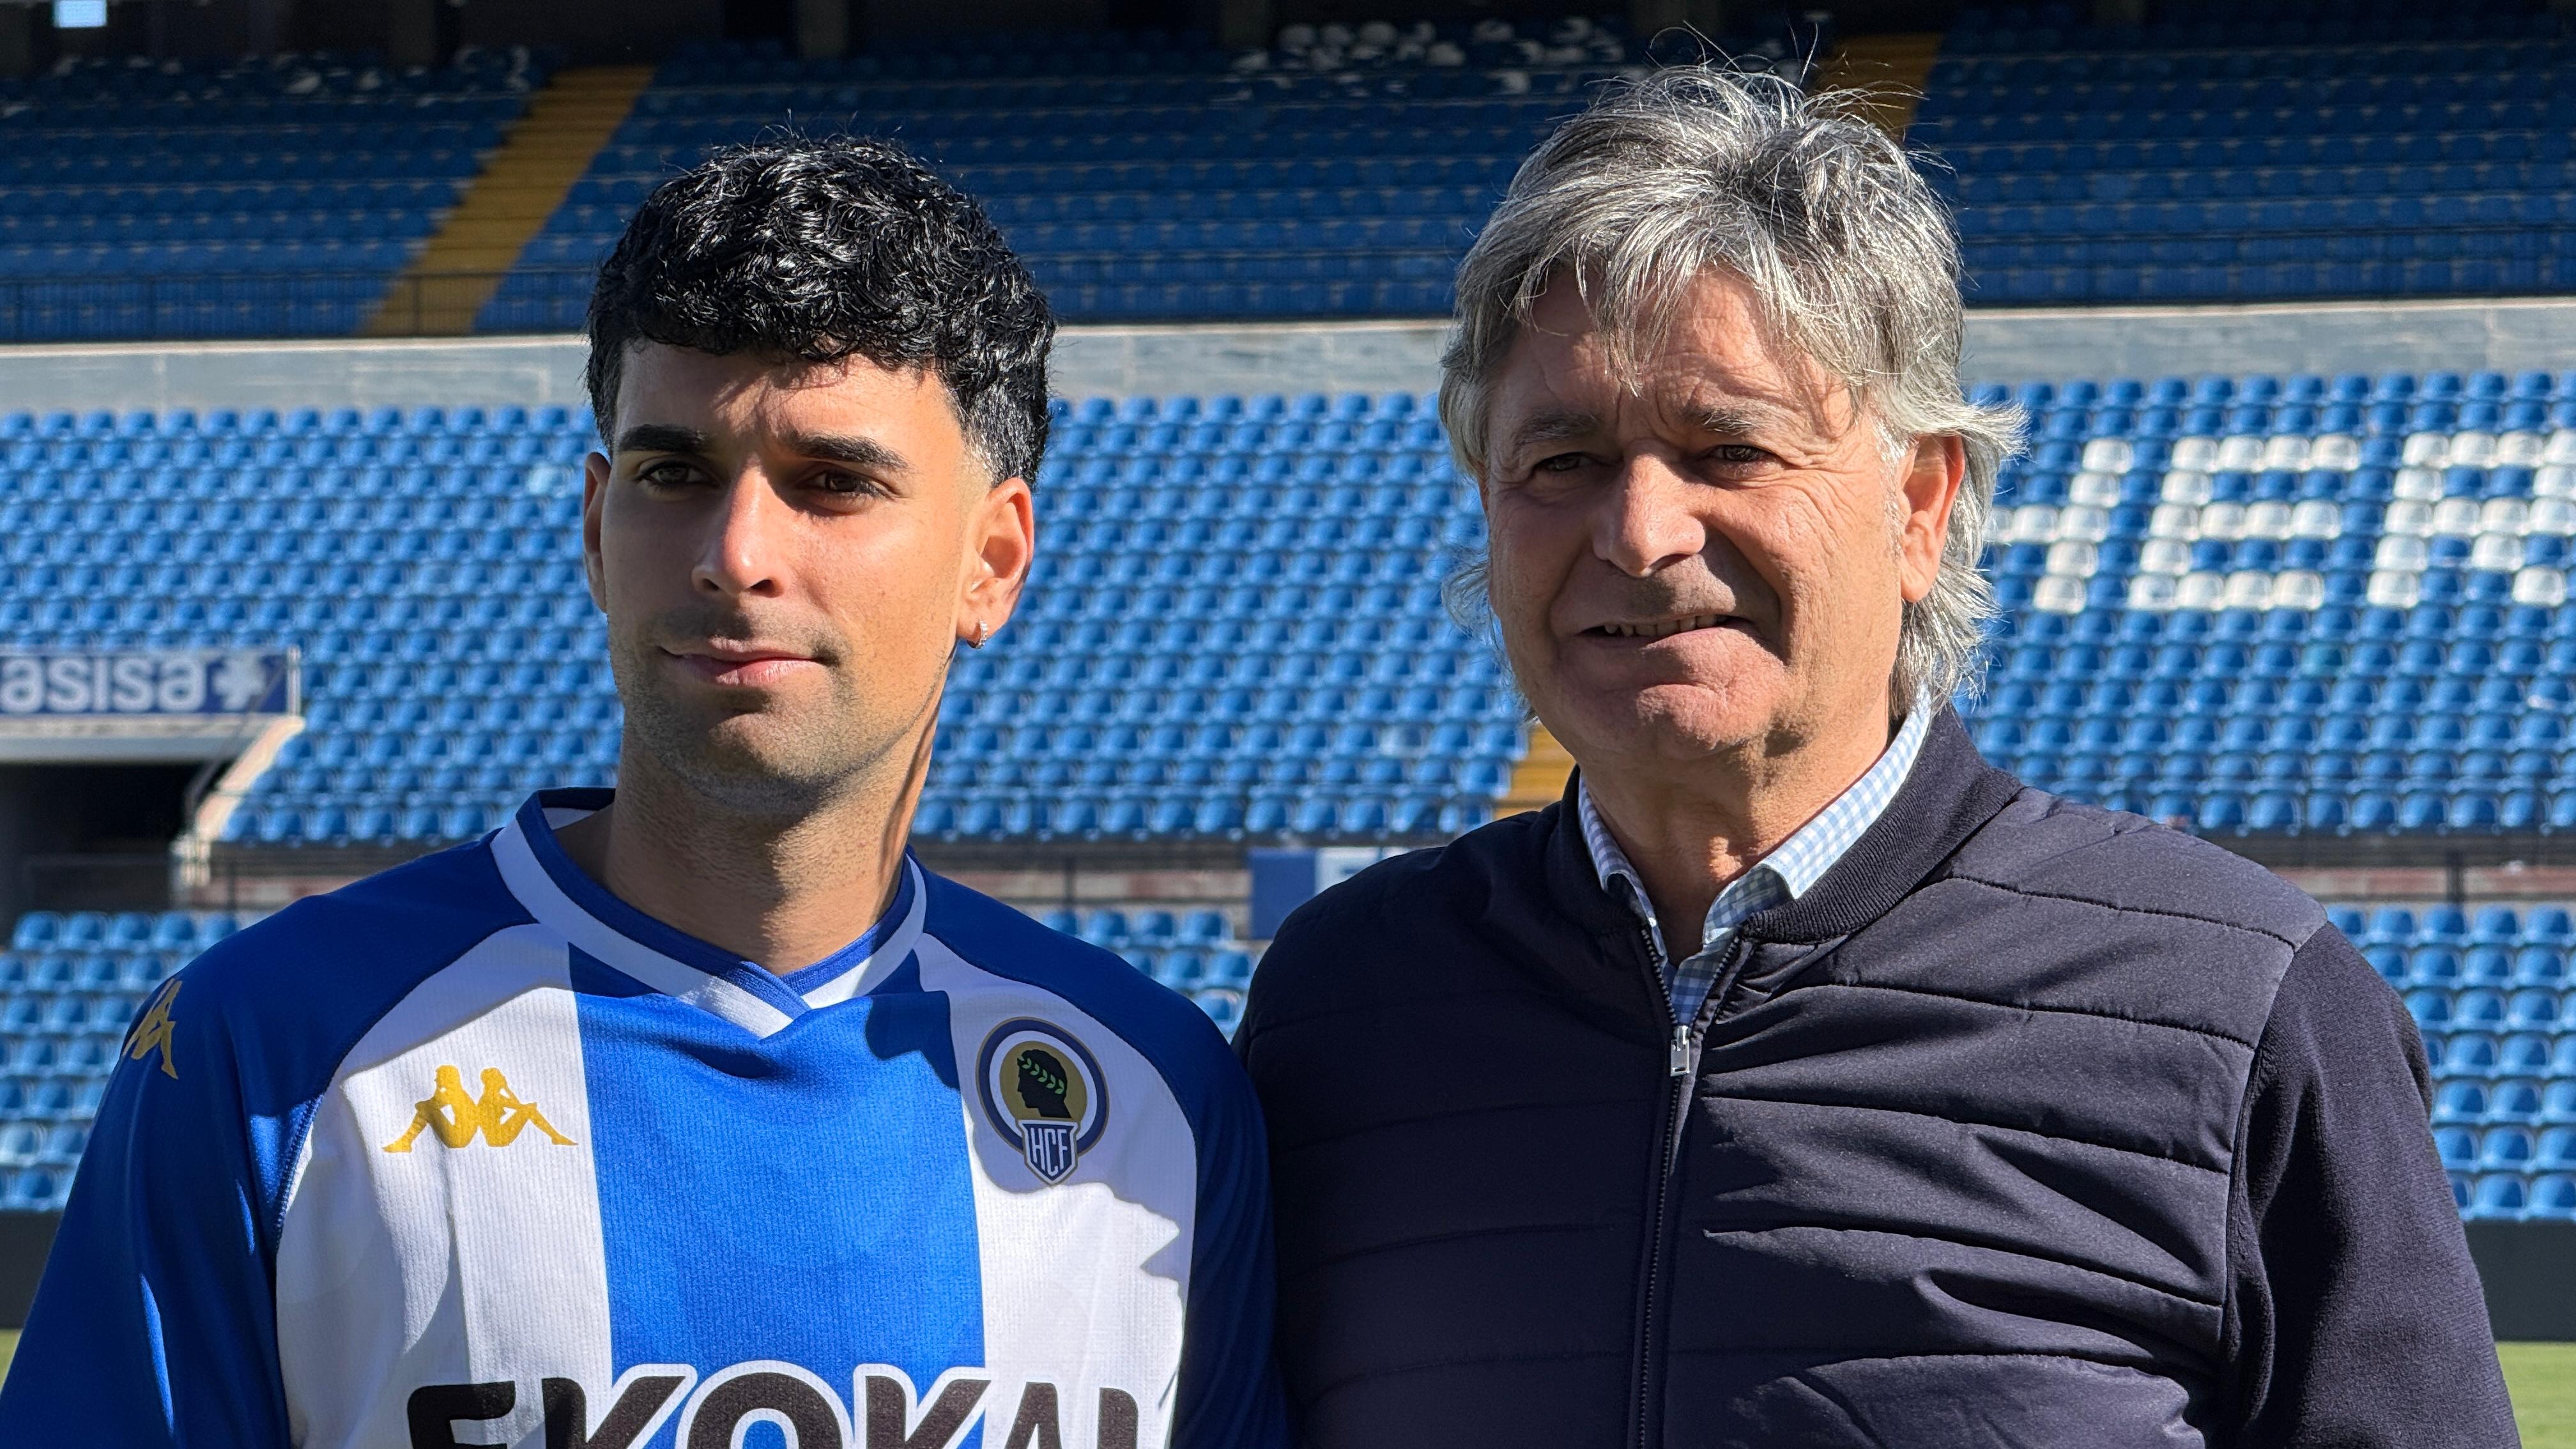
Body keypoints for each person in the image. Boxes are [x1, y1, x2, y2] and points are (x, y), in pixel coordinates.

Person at [1236, 70, 2514, 1448]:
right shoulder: (1343, 1004)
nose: (1641, 532)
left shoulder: (2244, 1002)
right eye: (1563, 461)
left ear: (1919, 506)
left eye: (1729, 447)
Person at [2, 138, 1286, 1449]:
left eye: (833, 483)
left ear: (992, 561)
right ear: (595, 531)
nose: (736, 556)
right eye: (675, 475)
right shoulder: (274, 1050)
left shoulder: (1154, 1102)